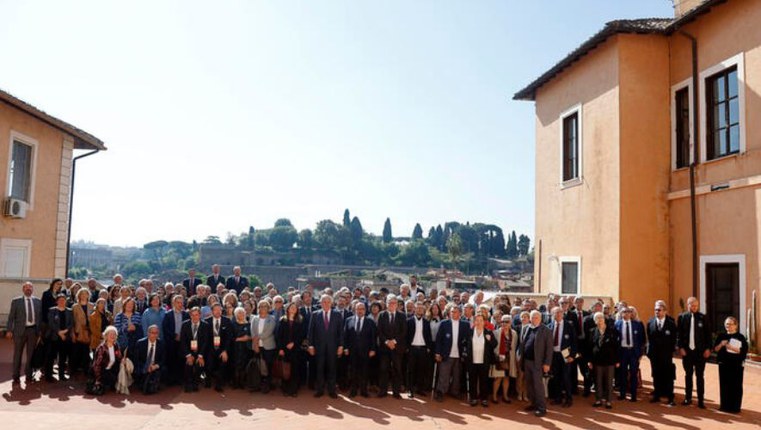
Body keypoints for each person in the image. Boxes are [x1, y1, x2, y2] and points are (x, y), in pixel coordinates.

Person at [676, 297, 712, 408]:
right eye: (692, 305)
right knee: (688, 375)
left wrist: (708, 349)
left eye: (696, 305)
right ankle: (688, 398)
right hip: (687, 352)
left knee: (700, 376)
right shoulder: (682, 317)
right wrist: (680, 348)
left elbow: (708, 335)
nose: (694, 307)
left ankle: (701, 400)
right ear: (688, 305)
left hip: (700, 353)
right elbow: (679, 335)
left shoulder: (703, 317)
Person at [307, 294, 344, 398]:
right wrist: (310, 345)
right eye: (324, 302)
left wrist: (341, 346)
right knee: (319, 368)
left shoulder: (337, 315)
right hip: (319, 347)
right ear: (320, 303)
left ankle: (332, 390)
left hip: (333, 347)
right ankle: (320, 389)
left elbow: (341, 332)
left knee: (332, 368)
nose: (326, 304)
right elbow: (310, 332)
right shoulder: (315, 314)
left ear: (331, 303)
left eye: (328, 302)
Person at [6, 281, 43, 384]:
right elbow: (11, 317)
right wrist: (9, 330)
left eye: (30, 287)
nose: (28, 289)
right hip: (19, 331)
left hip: (33, 331)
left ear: (32, 289)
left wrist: (39, 331)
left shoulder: (38, 301)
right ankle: (16, 376)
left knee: (30, 354)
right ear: (23, 289)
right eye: (26, 287)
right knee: (18, 354)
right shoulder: (16, 301)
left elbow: (39, 318)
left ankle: (28, 374)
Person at [518, 310, 553, 417]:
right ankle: (533, 403)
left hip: (538, 363)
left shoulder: (546, 330)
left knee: (538, 386)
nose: (533, 319)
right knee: (529, 385)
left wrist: (547, 363)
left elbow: (549, 349)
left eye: (536, 317)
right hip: (527, 361)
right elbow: (523, 344)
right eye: (532, 317)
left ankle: (542, 408)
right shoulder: (527, 328)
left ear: (540, 318)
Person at [434, 305, 470, 402]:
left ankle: (455, 392)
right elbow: (439, 340)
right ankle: (441, 392)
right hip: (446, 353)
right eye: (451, 312)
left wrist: (466, 353)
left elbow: (468, 340)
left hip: (459, 354)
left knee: (457, 375)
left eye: (455, 312)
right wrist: (437, 353)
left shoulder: (465, 325)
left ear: (460, 313)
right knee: (444, 374)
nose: (453, 313)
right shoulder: (444, 324)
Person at [713, 316, 748, 413]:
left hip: (736, 365)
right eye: (727, 324)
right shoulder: (721, 336)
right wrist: (721, 344)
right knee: (724, 385)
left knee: (736, 386)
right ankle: (724, 406)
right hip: (723, 364)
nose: (728, 326)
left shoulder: (740, 337)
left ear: (736, 325)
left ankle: (735, 407)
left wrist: (730, 347)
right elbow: (715, 349)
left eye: (731, 324)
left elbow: (743, 351)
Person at [342, 302, 376, 398]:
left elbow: (373, 337)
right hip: (352, 351)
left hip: (365, 351)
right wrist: (345, 347)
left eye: (362, 309)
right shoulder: (348, 320)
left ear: (365, 310)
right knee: (353, 371)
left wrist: (373, 349)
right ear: (355, 310)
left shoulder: (370, 322)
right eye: (358, 309)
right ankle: (353, 390)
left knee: (364, 371)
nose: (360, 311)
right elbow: (345, 336)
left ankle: (364, 390)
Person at [647, 300, 677, 406]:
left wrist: (670, 352)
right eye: (655, 310)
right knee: (656, 375)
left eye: (659, 310)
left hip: (666, 355)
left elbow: (674, 339)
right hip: (654, 355)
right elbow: (649, 338)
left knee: (668, 376)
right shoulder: (650, 323)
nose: (657, 312)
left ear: (665, 311)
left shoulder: (671, 323)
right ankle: (657, 395)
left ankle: (670, 397)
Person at [377, 294, 407, 399]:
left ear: (397, 304)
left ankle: (396, 392)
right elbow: (379, 331)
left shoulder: (402, 315)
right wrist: (386, 342)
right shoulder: (382, 315)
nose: (391, 304)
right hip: (384, 348)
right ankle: (383, 390)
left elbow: (403, 332)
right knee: (383, 369)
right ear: (386, 303)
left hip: (397, 347)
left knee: (397, 369)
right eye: (389, 302)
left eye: (394, 303)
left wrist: (393, 342)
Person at [464, 314, 497, 407]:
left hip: (484, 361)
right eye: (477, 320)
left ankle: (484, 399)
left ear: (484, 322)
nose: (478, 322)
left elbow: (495, 344)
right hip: (472, 361)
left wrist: (490, 340)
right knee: (472, 380)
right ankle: (473, 398)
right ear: (474, 322)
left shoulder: (489, 332)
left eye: (481, 320)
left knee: (484, 381)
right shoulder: (469, 332)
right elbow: (464, 344)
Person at [589, 312, 620, 409]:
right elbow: (589, 347)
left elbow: (616, 347)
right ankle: (598, 400)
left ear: (604, 319)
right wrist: (589, 361)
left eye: (601, 318)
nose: (599, 320)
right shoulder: (592, 331)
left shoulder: (612, 331)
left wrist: (617, 360)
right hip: (597, 361)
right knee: (598, 381)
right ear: (595, 321)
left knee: (609, 382)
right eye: (597, 318)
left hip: (610, 361)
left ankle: (608, 401)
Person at [615, 306, 645, 402]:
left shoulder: (637, 324)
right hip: (622, 352)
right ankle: (622, 394)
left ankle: (633, 395)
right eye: (624, 312)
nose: (627, 313)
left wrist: (640, 354)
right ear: (621, 314)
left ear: (631, 314)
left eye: (628, 312)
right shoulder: (617, 324)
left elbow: (642, 340)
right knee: (622, 374)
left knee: (633, 373)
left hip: (633, 352)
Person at [549, 306, 577, 407]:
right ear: (552, 314)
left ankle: (569, 399)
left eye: (560, 312)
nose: (558, 314)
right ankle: (558, 398)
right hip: (554, 354)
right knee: (556, 377)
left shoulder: (569, 325)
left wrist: (572, 355)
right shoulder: (550, 326)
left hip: (565, 354)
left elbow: (574, 342)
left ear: (562, 314)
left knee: (566, 377)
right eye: (556, 313)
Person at [180, 307, 211, 392]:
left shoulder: (205, 325)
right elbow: (183, 341)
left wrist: (201, 356)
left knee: (199, 365)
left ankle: (195, 383)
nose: (195, 317)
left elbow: (206, 342)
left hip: (201, 351)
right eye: (192, 315)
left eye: (196, 315)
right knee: (188, 364)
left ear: (200, 315)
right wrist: (188, 355)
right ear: (190, 315)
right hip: (188, 351)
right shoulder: (185, 325)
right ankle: (187, 383)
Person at [276, 302, 304, 397]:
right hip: (284, 349)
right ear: (287, 309)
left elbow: (301, 335)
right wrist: (280, 348)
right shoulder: (282, 320)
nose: (293, 309)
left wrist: (294, 343)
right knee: (285, 369)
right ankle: (285, 389)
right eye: (291, 307)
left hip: (295, 349)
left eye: (295, 308)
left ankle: (293, 390)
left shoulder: (300, 320)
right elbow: (278, 336)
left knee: (295, 370)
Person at [406, 301, 432, 398]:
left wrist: (428, 348)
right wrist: (407, 348)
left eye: (421, 308)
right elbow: (406, 335)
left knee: (421, 370)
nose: (420, 309)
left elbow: (428, 336)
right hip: (412, 348)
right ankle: (410, 389)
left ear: (424, 310)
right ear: (414, 309)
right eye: (418, 308)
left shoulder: (426, 322)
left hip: (422, 349)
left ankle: (420, 389)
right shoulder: (409, 321)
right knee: (411, 370)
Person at [206, 302, 234, 392]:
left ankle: (219, 384)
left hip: (222, 348)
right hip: (210, 348)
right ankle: (208, 379)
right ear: (212, 311)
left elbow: (229, 338)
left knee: (223, 363)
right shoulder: (207, 321)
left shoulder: (227, 321)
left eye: (220, 310)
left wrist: (225, 350)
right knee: (209, 363)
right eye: (216, 310)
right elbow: (204, 338)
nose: (218, 312)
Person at [250, 300, 277, 393]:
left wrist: (257, 339)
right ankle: (257, 384)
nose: (263, 308)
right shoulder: (254, 318)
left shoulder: (272, 318)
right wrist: (256, 344)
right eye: (261, 306)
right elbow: (252, 332)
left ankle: (268, 385)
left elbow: (269, 332)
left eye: (265, 306)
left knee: (268, 366)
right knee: (258, 366)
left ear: (268, 308)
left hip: (268, 346)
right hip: (257, 346)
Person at [162, 295, 188, 385]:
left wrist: (182, 337)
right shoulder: (168, 314)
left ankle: (180, 379)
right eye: (178, 302)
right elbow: (165, 328)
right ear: (173, 303)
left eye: (182, 303)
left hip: (183, 341)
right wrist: (174, 336)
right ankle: (171, 379)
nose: (180, 304)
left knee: (181, 360)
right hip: (171, 341)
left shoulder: (185, 314)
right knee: (171, 360)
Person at [45, 294, 72, 382]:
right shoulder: (52, 310)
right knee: (51, 357)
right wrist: (59, 332)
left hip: (65, 337)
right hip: (54, 337)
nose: (62, 302)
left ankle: (61, 375)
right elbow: (51, 323)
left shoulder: (69, 311)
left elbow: (71, 323)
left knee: (63, 358)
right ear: (57, 301)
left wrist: (65, 331)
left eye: (63, 300)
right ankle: (49, 376)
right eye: (60, 300)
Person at [132, 324, 165, 394]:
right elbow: (136, 359)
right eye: (152, 333)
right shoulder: (140, 343)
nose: (154, 335)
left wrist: (155, 366)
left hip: (155, 366)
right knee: (139, 372)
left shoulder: (161, 343)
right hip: (143, 365)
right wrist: (146, 366)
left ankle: (154, 384)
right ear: (148, 333)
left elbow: (163, 359)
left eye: (156, 333)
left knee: (164, 370)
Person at [492, 314, 517, 403]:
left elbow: (514, 347)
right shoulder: (496, 332)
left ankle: (505, 396)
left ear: (510, 323)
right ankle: (494, 396)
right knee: (498, 378)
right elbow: (494, 347)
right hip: (499, 358)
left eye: (506, 322)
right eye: (502, 322)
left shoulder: (514, 333)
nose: (504, 324)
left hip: (509, 358)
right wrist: (498, 356)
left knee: (506, 378)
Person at [91, 326, 122, 394]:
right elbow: (97, 364)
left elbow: (119, 358)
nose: (112, 336)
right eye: (110, 334)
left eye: (114, 334)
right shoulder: (102, 348)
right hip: (102, 371)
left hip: (112, 370)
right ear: (106, 335)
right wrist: (98, 379)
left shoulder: (116, 345)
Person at [71, 289, 94, 376]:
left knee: (86, 352)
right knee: (76, 352)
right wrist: (72, 333)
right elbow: (72, 321)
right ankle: (73, 370)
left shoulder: (92, 306)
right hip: (78, 332)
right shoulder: (75, 306)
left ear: (88, 295)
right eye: (82, 294)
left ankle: (86, 370)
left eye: (86, 294)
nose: (84, 296)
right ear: (79, 295)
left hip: (88, 332)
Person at [231, 307, 252, 389]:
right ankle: (235, 383)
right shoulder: (233, 324)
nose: (242, 314)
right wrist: (241, 339)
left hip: (246, 348)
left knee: (244, 365)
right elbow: (230, 337)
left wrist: (249, 338)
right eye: (239, 313)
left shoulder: (249, 324)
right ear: (236, 315)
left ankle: (241, 382)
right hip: (236, 349)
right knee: (236, 366)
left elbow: (252, 336)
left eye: (243, 312)